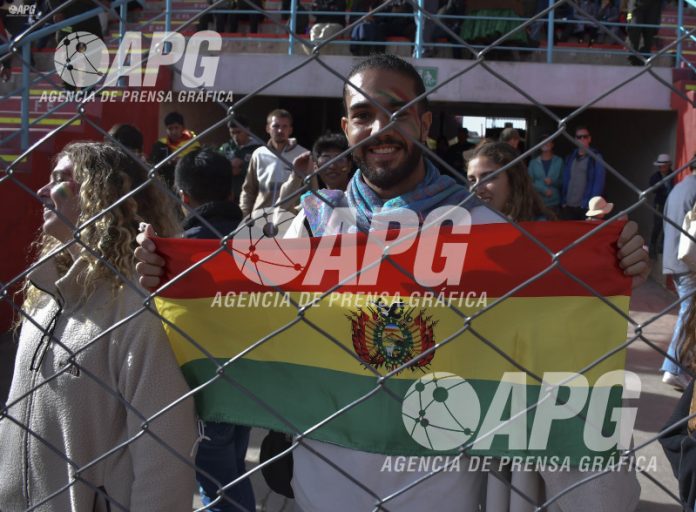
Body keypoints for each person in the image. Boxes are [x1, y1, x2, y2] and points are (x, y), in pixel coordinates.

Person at [135, 54, 650, 512]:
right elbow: (246, 312)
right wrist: (175, 276)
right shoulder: (312, 227)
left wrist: (607, 262)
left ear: (424, 122)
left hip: (443, 487)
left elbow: (544, 327)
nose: (381, 128)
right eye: (363, 115)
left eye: (399, 112)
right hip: (323, 484)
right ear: (346, 127)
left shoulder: (482, 230)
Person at [0, 142, 196, 511]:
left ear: (102, 195)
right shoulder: (43, 294)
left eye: (61, 180)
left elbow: (164, 461)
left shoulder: (138, 309)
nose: (42, 191)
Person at [173, 148, 252, 511]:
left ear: (183, 197)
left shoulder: (177, 254)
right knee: (233, 471)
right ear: (230, 193)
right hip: (252, 379)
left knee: (216, 485)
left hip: (203, 389)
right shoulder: (257, 245)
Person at [661, 162, 696, 390]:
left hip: (674, 258)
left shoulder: (678, 188)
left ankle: (678, 366)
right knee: (688, 313)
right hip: (689, 261)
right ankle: (673, 368)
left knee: (689, 312)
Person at [239, 109, 307, 217]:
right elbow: (248, 190)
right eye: (276, 126)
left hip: (289, 218)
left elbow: (312, 191)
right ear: (268, 128)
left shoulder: (302, 155)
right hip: (261, 218)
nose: (280, 130)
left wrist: (299, 213)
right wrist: (244, 215)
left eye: (284, 126)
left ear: (290, 130)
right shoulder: (258, 154)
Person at [467, 141, 555, 221]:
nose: (478, 189)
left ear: (514, 178)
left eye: (488, 177)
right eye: (472, 180)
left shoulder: (541, 224)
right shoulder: (470, 223)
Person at [277, 132, 354, 213]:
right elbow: (283, 212)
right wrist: (296, 176)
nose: (332, 166)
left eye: (339, 159)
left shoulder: (359, 198)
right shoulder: (314, 205)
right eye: (326, 159)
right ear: (316, 167)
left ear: (349, 165)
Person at [561, 125, 605, 220]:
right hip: (569, 205)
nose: (582, 139)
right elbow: (566, 179)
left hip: (585, 206)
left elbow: (599, 183)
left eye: (585, 137)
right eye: (579, 137)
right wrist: (563, 201)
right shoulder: (570, 157)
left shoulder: (595, 158)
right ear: (575, 139)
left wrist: (592, 204)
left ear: (589, 139)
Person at [149, 111, 202, 188]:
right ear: (166, 129)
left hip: (187, 183)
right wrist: (168, 162)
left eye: (176, 128)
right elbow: (153, 164)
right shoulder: (160, 145)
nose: (173, 132)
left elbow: (198, 166)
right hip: (165, 183)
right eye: (170, 128)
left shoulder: (193, 144)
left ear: (183, 128)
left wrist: (183, 161)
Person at [218, 116, 262, 205]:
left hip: (251, 196)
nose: (235, 136)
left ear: (247, 130)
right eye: (232, 133)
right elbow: (216, 167)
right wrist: (228, 167)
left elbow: (263, 170)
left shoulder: (258, 149)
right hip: (229, 197)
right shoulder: (225, 148)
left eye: (238, 132)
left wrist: (243, 167)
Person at [528, 134, 563, 213]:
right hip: (538, 203)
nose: (545, 143)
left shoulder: (559, 161)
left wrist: (553, 182)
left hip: (554, 203)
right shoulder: (533, 163)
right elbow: (529, 182)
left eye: (548, 141)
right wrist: (544, 190)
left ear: (552, 144)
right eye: (542, 142)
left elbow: (563, 182)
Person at [648, 153, 673, 258]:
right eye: (660, 166)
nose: (662, 168)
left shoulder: (674, 174)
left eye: (664, 165)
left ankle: (662, 247)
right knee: (658, 225)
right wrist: (661, 187)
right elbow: (652, 188)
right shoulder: (655, 177)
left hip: (671, 203)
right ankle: (652, 246)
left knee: (667, 226)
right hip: (660, 203)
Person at [626, 0, 662, 65]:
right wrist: (628, 18)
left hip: (654, 5)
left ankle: (645, 58)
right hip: (635, 4)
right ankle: (632, 56)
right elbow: (630, 15)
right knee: (633, 28)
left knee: (649, 31)